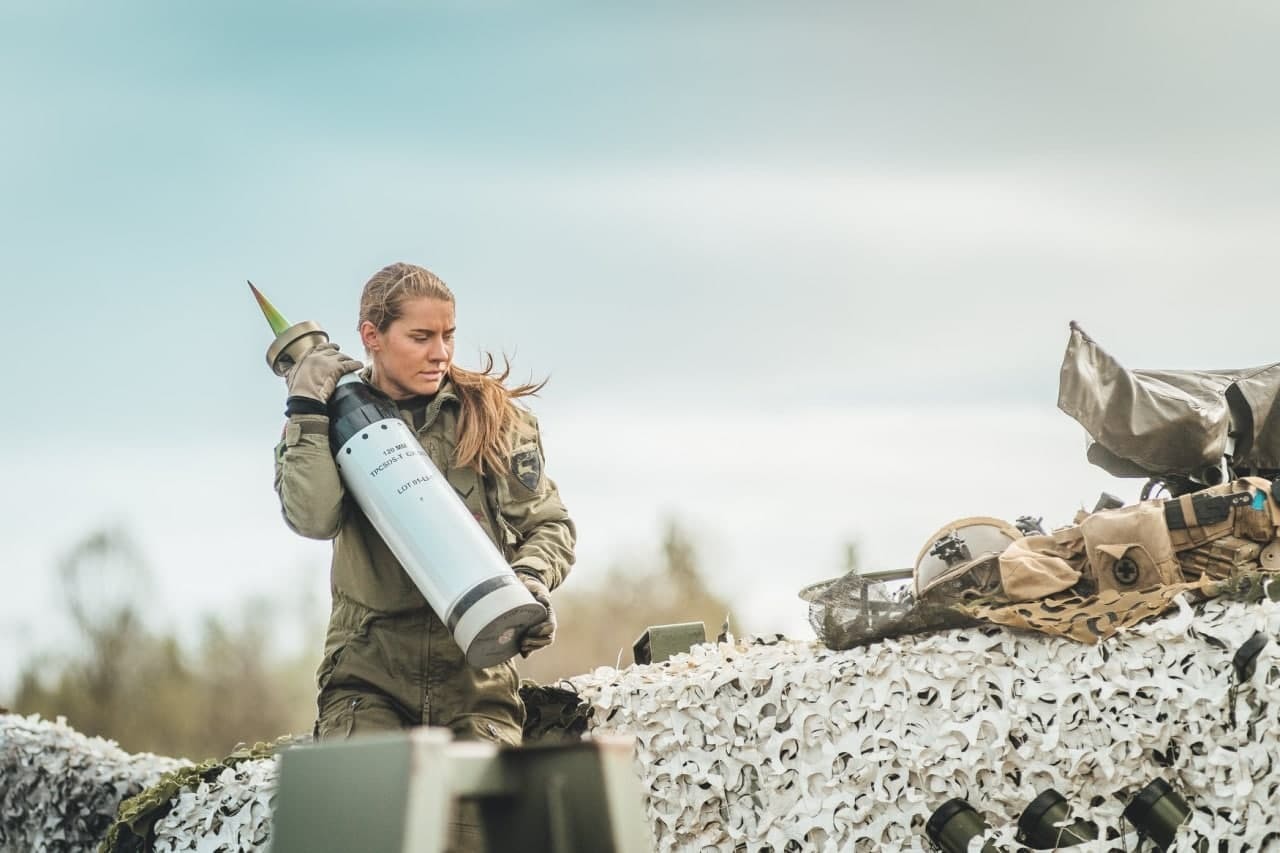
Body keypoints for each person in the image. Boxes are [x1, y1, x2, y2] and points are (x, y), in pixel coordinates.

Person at [272, 262, 575, 749]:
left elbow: (549, 525)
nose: (441, 354)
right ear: (372, 335)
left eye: (448, 335)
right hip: (368, 676)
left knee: (476, 823)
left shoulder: (491, 417)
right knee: (371, 815)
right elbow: (314, 517)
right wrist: (307, 406)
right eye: (420, 337)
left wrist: (532, 583)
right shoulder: (322, 420)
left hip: (476, 674)